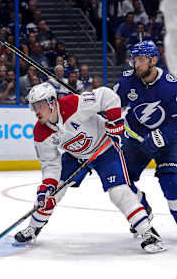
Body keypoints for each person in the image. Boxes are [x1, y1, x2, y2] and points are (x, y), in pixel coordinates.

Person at [14, 82, 164, 253]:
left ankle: (147, 232)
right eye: (34, 107)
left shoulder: (73, 104)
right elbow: (50, 164)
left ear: (52, 102)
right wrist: (47, 187)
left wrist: (115, 122)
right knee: (52, 193)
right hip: (75, 156)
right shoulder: (41, 132)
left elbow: (107, 96)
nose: (37, 111)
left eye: (40, 106)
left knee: (118, 191)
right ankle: (33, 228)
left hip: (105, 149)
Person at [114, 40, 177, 226]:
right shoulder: (127, 80)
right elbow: (112, 104)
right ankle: (143, 207)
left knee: (171, 184)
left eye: (141, 59)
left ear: (154, 60)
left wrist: (162, 136)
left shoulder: (171, 85)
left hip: (168, 143)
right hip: (136, 141)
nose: (137, 64)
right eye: (134, 59)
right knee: (121, 180)